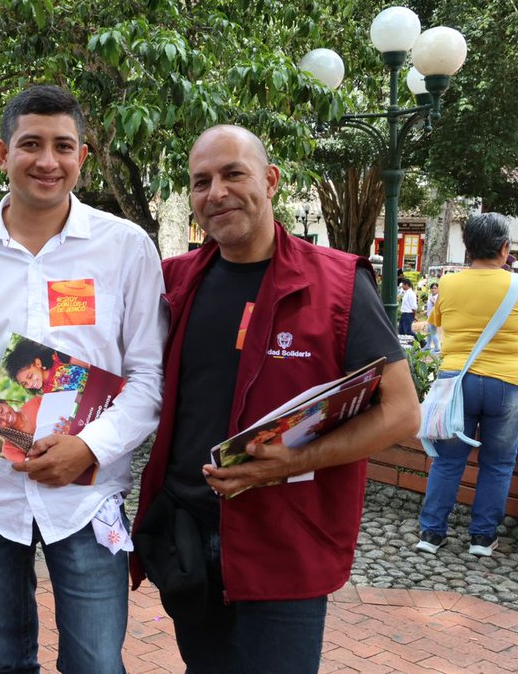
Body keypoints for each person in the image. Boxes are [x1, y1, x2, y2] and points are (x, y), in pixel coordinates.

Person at [130, 125, 420, 673]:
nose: (216, 192)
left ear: (271, 181)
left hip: (285, 544)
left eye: (233, 174)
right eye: (201, 181)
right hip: (189, 537)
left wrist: (292, 462)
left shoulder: (336, 283)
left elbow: (403, 411)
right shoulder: (174, 282)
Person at [0, 85, 166, 673]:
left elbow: (149, 377)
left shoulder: (126, 247)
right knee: (6, 659)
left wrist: (88, 448)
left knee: (98, 663)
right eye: (31, 144)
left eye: (63, 145)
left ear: (83, 154)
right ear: (2, 154)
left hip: (87, 492)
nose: (47, 160)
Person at [416, 213, 518, 557]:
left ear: (468, 249)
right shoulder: (516, 286)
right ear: (505, 248)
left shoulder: (448, 284)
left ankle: (430, 534)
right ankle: (482, 538)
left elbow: (438, 324)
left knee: (447, 461)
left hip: (456, 382)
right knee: (498, 463)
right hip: (507, 382)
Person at [3, 338, 88, 392]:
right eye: (24, 383)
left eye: (30, 376)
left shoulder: (59, 357)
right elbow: (77, 398)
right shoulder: (47, 391)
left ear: (38, 363)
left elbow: (88, 364)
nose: (30, 384)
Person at [425, 281, 441, 353]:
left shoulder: (438, 297)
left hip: (434, 317)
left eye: (435, 288)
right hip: (429, 316)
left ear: (438, 289)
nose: (433, 289)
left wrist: (433, 302)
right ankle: (428, 346)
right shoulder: (430, 296)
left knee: (433, 332)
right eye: (432, 288)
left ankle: (437, 348)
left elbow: (437, 307)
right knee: (428, 332)